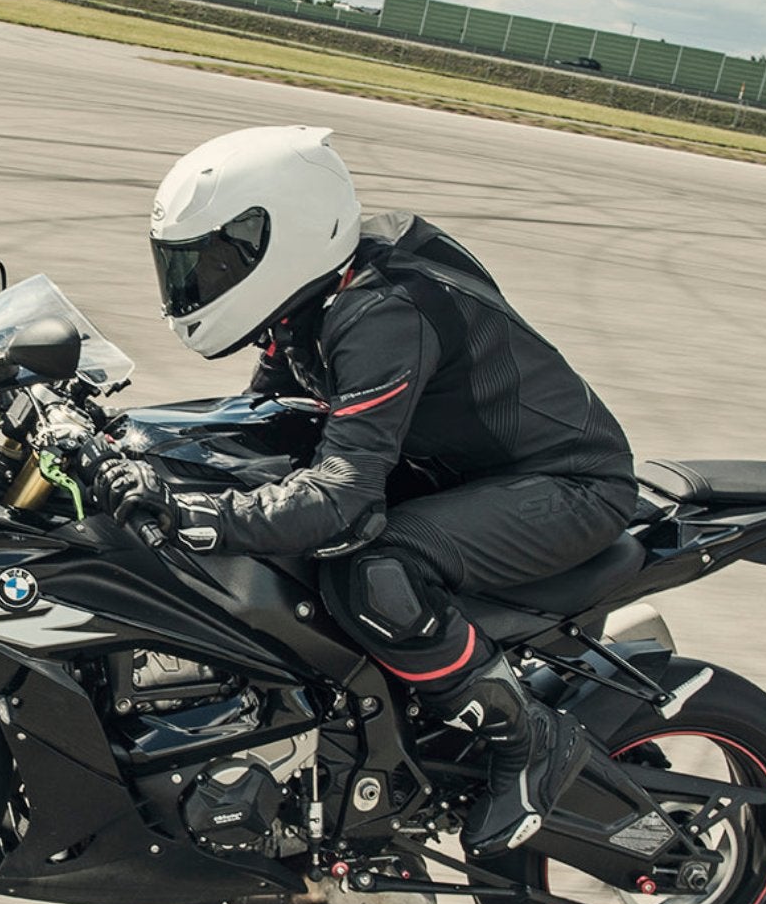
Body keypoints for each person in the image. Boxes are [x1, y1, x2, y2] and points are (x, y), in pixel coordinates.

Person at [94, 125, 637, 855]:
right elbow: (264, 420)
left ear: (286, 234)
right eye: (188, 264)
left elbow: (343, 495)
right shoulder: (312, 299)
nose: (198, 281)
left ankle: (529, 737)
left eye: (218, 259)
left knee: (375, 573)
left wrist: (201, 514)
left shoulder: (381, 313)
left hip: (566, 486)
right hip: (455, 471)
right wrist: (128, 444)